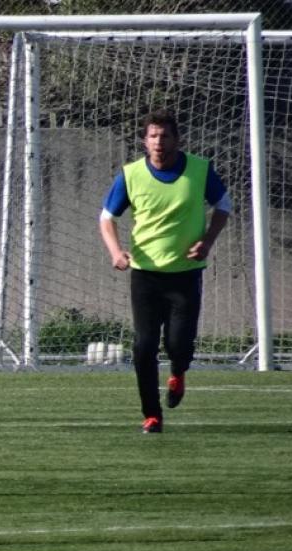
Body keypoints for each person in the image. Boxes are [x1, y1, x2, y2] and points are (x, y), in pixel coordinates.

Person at [99, 110, 231, 433]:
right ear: (145, 141)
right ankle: (152, 414)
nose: (159, 142)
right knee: (144, 345)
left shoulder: (200, 170)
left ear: (177, 139)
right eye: (153, 136)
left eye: (165, 135)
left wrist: (207, 242)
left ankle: (178, 371)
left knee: (179, 344)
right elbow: (106, 218)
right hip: (145, 275)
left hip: (186, 274)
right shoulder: (130, 175)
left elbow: (224, 205)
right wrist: (116, 252)